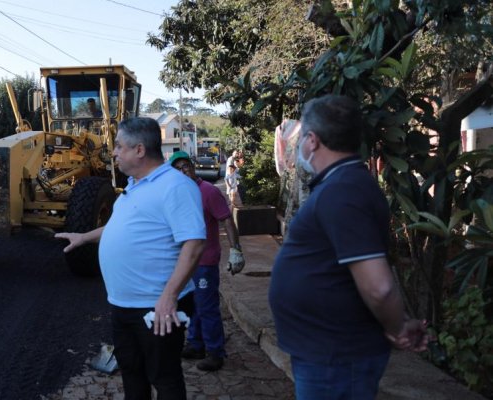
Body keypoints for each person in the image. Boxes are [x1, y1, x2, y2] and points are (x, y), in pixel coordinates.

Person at [268, 95, 428, 399]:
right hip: (328, 354)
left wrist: (397, 328)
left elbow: (379, 287)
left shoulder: (344, 190)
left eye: (301, 138)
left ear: (312, 140)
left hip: (336, 359)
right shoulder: (341, 185)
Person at [56, 117, 205, 399]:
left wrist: (169, 297)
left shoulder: (175, 186)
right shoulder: (135, 186)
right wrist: (83, 237)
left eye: (119, 147)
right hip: (124, 305)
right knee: (132, 373)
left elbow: (195, 244)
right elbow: (121, 227)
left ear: (139, 150)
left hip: (157, 306)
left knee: (165, 377)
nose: (114, 153)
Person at [169, 151, 244, 372]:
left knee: (207, 307)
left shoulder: (208, 191)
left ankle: (215, 352)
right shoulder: (178, 194)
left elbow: (227, 220)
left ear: (192, 167)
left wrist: (236, 250)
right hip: (186, 261)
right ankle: (196, 344)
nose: (183, 171)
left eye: (185, 166)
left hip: (205, 261)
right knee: (193, 305)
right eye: (177, 169)